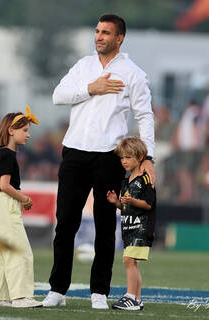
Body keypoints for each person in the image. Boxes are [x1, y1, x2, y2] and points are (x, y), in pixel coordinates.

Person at [42, 14, 155, 309]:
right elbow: (58, 96)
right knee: (66, 222)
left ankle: (99, 292)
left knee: (106, 225)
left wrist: (148, 158)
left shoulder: (133, 74)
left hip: (109, 155)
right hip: (74, 152)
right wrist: (90, 88)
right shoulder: (83, 66)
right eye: (97, 31)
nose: (99, 36)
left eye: (106, 32)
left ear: (119, 39)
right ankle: (57, 289)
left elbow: (145, 116)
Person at [0, 105, 42, 308]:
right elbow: (4, 185)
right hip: (5, 204)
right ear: (11, 130)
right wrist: (24, 198)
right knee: (20, 251)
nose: (28, 135)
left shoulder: (3, 154)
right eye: (25, 130)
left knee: (3, 253)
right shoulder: (8, 155)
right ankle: (20, 297)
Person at [107, 137, 156, 311]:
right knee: (131, 262)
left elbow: (148, 204)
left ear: (140, 156)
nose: (124, 161)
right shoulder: (125, 182)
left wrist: (132, 200)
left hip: (141, 228)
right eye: (122, 158)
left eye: (128, 157)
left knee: (129, 260)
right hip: (129, 228)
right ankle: (137, 299)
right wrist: (117, 203)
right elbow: (126, 207)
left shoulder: (145, 180)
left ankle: (130, 296)